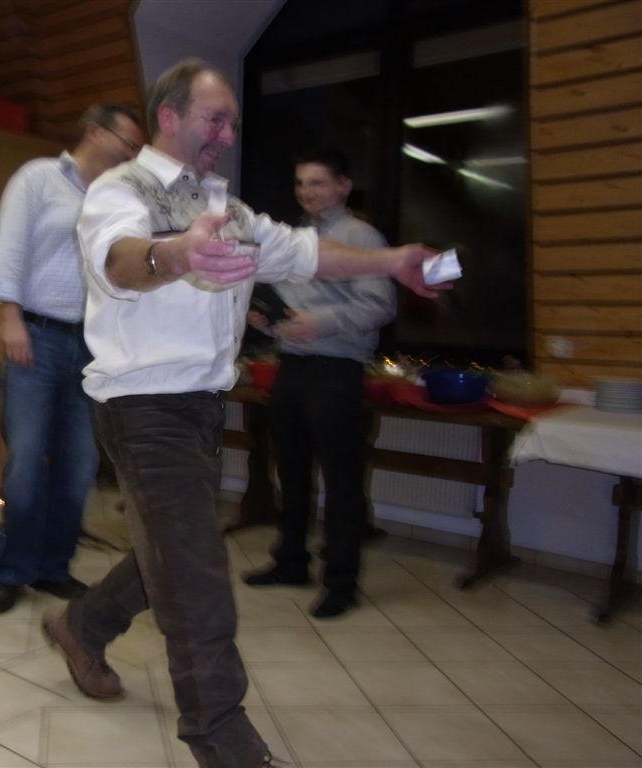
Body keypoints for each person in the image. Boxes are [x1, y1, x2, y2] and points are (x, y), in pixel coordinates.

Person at [39, 58, 445, 768]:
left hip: (201, 406)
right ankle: (221, 737)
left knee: (173, 552)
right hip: (142, 407)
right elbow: (120, 260)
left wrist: (394, 262)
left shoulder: (229, 210)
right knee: (196, 575)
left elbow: (306, 253)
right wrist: (178, 253)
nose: (228, 135)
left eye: (232, 122)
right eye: (215, 120)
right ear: (170, 117)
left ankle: (83, 626)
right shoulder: (121, 189)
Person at [0, 104, 145, 614]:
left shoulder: (119, 199)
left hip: (91, 345)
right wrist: (9, 316)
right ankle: (13, 572)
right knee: (27, 460)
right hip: (35, 335)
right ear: (95, 132)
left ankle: (54, 568)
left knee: (79, 464)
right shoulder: (38, 178)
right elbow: (6, 249)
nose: (133, 153)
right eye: (128, 142)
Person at [241, 147, 396, 619]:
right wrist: (266, 320)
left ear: (343, 186)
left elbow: (380, 306)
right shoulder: (294, 238)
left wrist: (319, 323)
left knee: (342, 481)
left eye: (318, 183)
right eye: (301, 183)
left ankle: (341, 582)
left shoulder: (361, 236)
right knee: (290, 472)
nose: (307, 192)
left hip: (336, 370)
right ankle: (291, 562)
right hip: (291, 365)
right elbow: (288, 303)